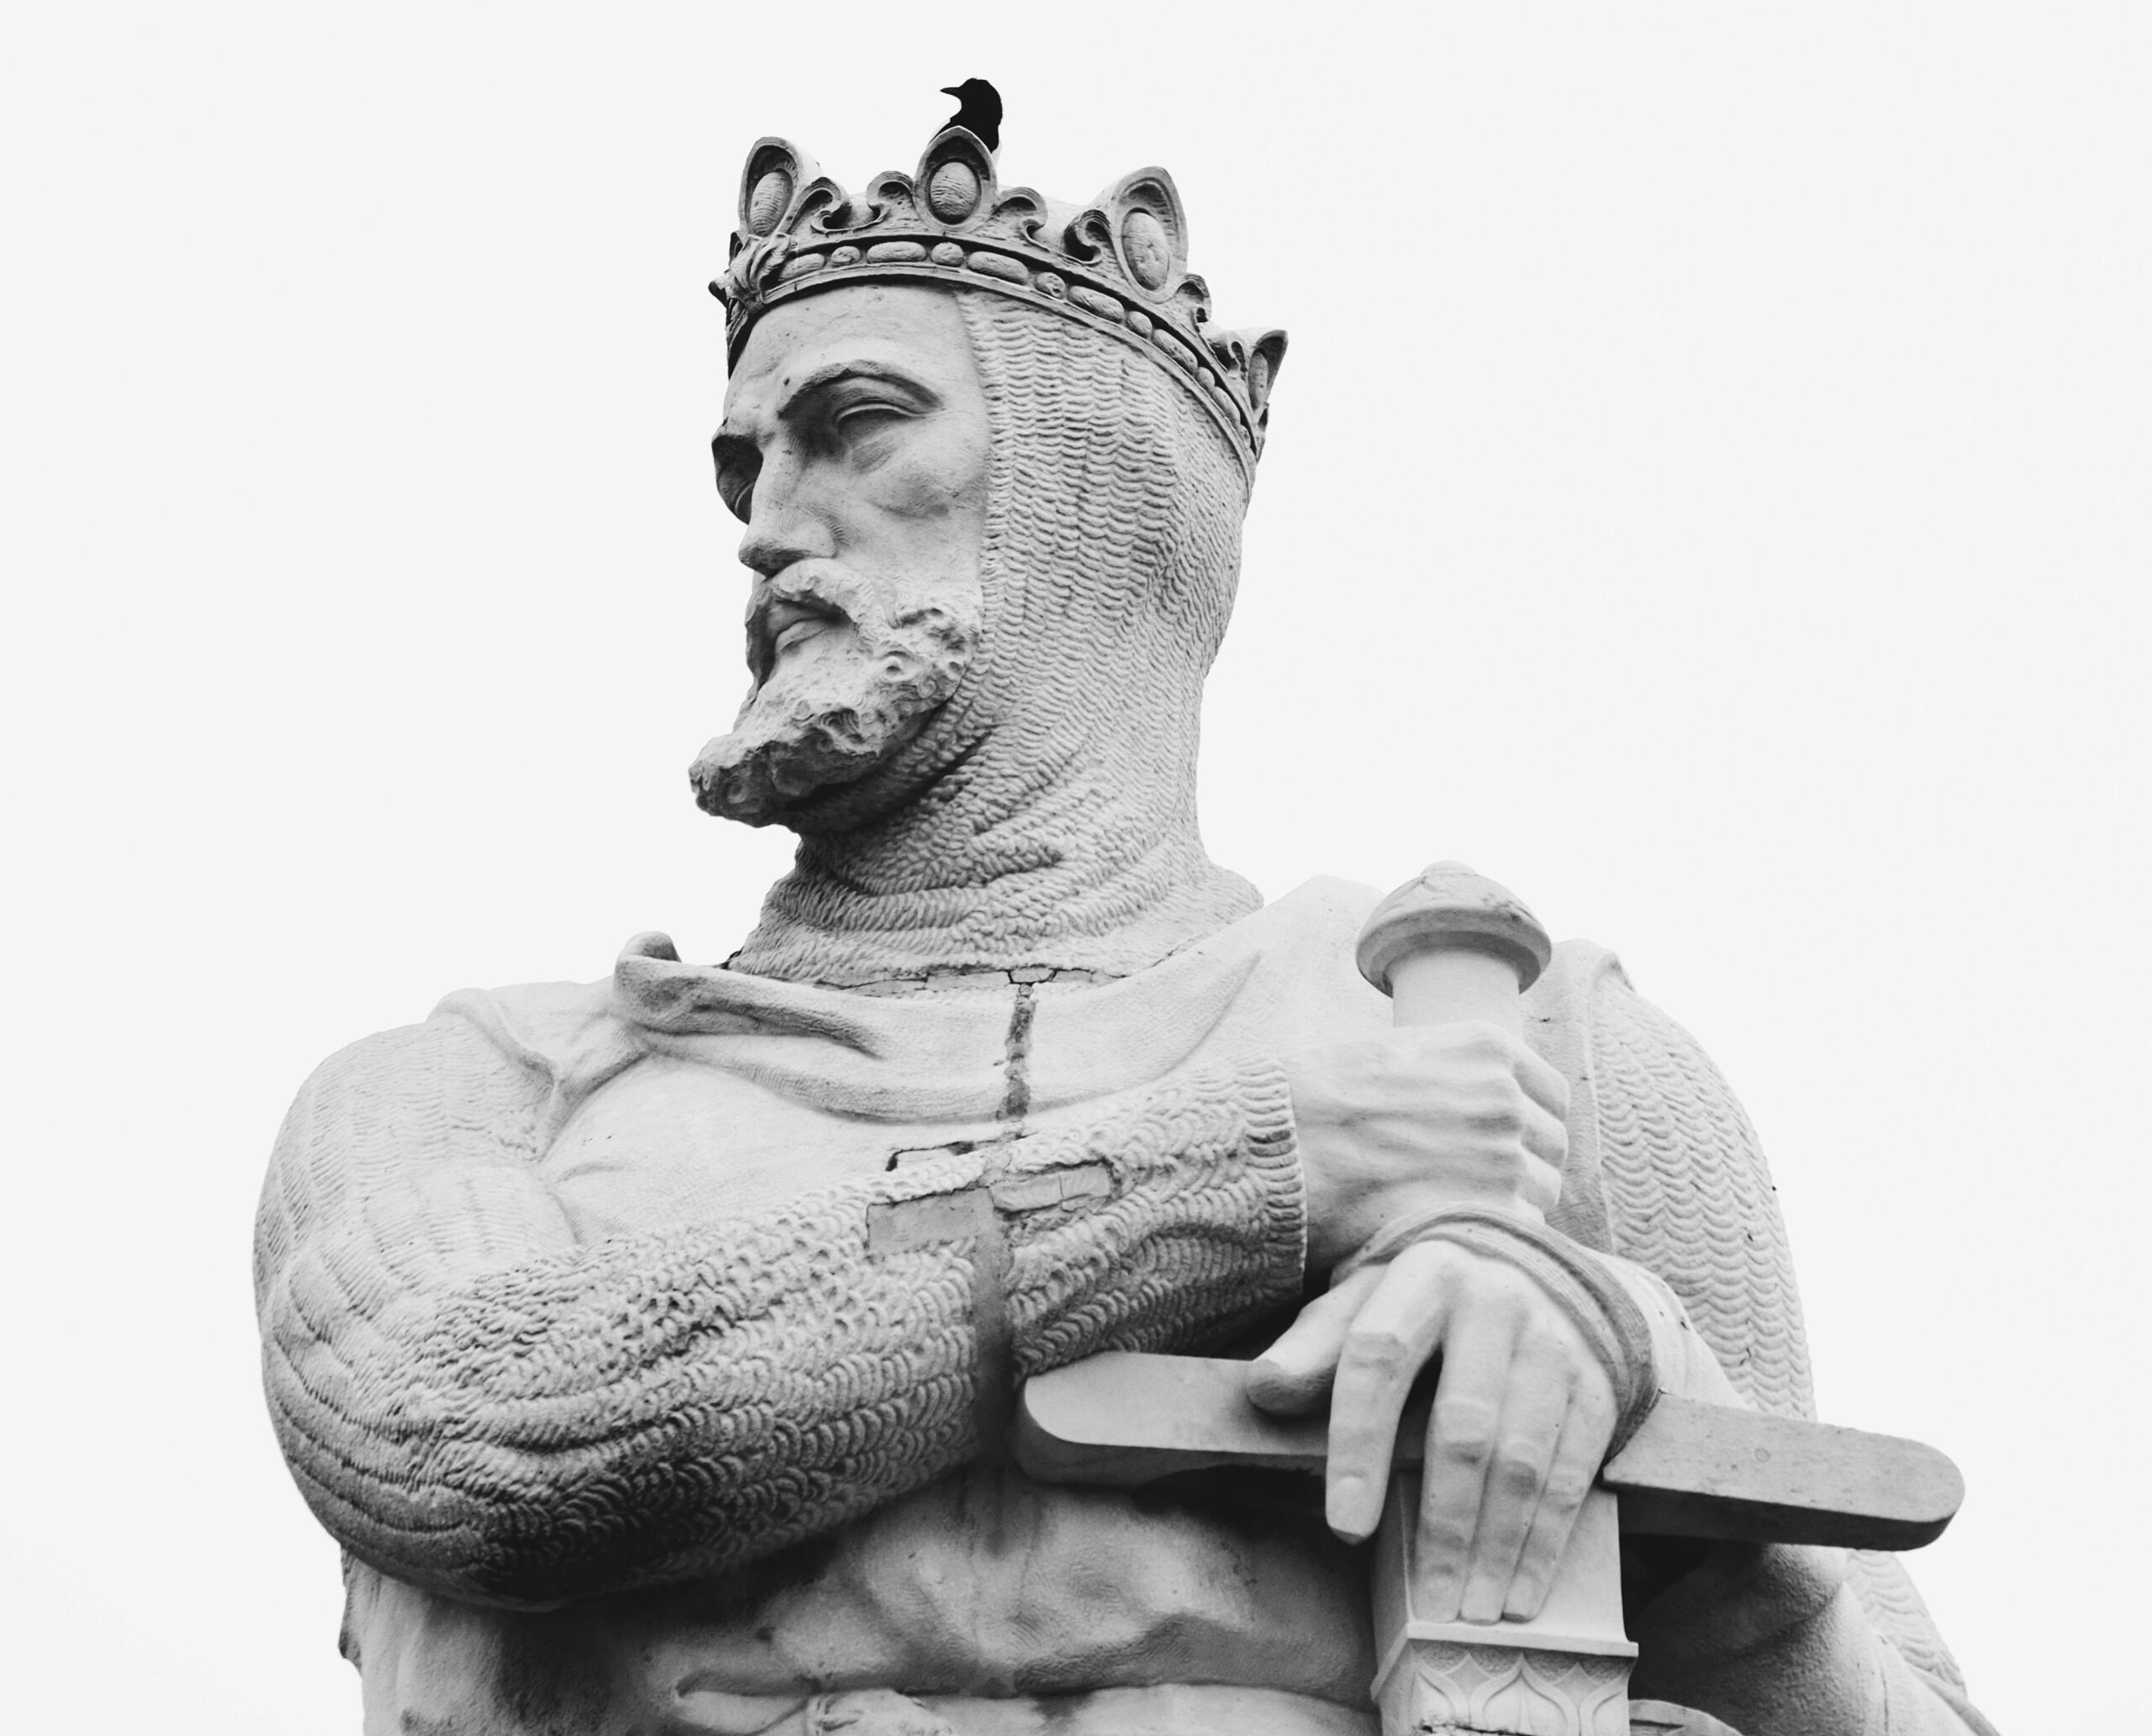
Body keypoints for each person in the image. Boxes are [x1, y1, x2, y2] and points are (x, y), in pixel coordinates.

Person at [256, 123, 1994, 1736]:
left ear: (1100, 488)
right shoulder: (485, 1087)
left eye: (853, 426)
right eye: (744, 466)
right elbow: (468, 1435)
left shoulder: (1544, 1059)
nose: (768, 526)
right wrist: (1262, 1175)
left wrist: (1650, 1426)